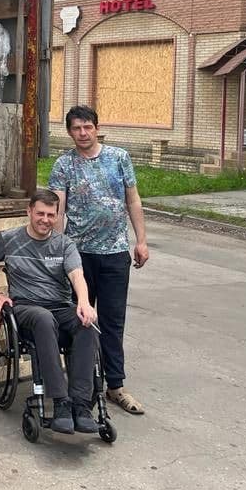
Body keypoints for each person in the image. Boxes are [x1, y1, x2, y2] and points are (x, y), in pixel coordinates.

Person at [48, 105, 149, 416]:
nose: (82, 133)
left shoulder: (119, 158)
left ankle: (115, 385)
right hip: (79, 257)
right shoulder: (64, 165)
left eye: (87, 127)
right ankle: (83, 385)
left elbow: (132, 198)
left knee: (113, 322)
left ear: (96, 127)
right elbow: (58, 209)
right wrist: (56, 247)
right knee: (80, 319)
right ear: (69, 132)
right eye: (76, 128)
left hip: (116, 254)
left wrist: (141, 240)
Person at [0, 189, 100, 434]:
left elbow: (77, 275)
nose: (45, 219)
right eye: (40, 213)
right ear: (29, 211)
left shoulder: (64, 244)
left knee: (87, 325)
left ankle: (81, 404)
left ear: (57, 216)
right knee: (43, 318)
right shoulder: (10, 238)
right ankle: (61, 401)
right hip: (26, 308)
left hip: (60, 307)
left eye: (51, 215)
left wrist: (84, 302)